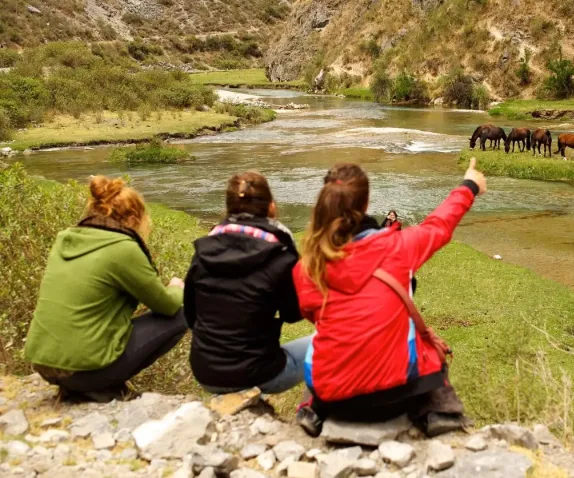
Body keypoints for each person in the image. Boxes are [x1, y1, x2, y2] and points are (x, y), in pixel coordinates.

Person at [293, 158, 487, 436]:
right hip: (396, 399)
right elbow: (439, 225)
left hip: (336, 400)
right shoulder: (399, 247)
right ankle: (440, 411)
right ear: (366, 202)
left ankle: (312, 410)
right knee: (425, 343)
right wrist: (469, 185)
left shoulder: (308, 266)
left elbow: (311, 313)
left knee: (322, 343)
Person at [24, 176, 187, 402]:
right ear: (131, 219)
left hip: (44, 366)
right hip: (84, 372)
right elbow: (167, 305)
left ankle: (84, 385)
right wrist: (177, 288)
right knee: (183, 312)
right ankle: (100, 384)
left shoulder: (65, 239)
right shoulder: (123, 248)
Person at [183, 171, 309, 394]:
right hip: (261, 373)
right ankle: (314, 413)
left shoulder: (202, 253)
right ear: (271, 206)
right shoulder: (279, 255)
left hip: (206, 373)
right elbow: (293, 313)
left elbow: (191, 317)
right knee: (329, 341)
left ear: (228, 207)